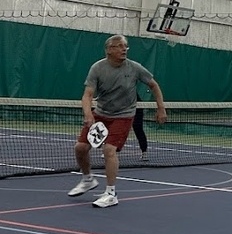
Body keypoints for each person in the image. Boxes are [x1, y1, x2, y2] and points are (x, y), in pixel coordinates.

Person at [69, 35, 166, 207]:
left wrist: (161, 108)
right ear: (109, 50)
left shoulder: (135, 68)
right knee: (81, 147)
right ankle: (88, 179)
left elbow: (153, 85)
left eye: (126, 46)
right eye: (119, 46)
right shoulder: (97, 68)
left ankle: (111, 193)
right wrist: (88, 114)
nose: (124, 49)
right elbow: (88, 95)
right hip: (101, 113)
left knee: (109, 150)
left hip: (123, 115)